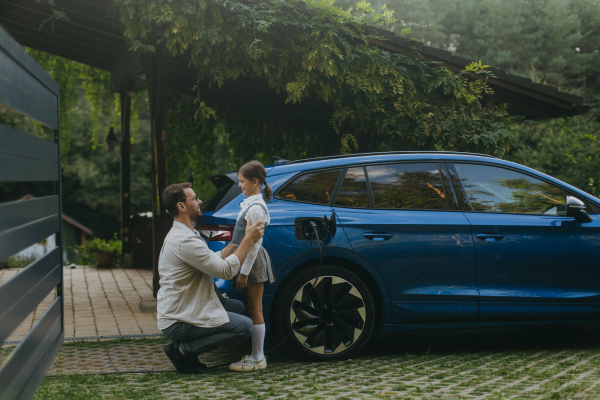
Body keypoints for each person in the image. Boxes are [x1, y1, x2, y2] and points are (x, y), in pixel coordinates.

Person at [158, 182, 265, 374]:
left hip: (187, 306)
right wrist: (248, 240)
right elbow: (225, 271)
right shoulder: (184, 241)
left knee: (237, 308)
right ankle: (183, 350)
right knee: (244, 327)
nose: (199, 201)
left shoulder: (186, 234)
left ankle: (190, 350)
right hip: (178, 319)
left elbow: (211, 260)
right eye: (194, 198)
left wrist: (236, 242)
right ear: (181, 206)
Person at [228, 161, 275, 372]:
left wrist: (244, 272)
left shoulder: (256, 207)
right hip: (246, 260)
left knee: (255, 309)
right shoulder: (250, 203)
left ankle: (258, 357)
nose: (239, 185)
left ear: (255, 182)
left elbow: (255, 245)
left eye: (242, 181)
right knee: (251, 307)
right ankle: (256, 354)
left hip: (252, 262)